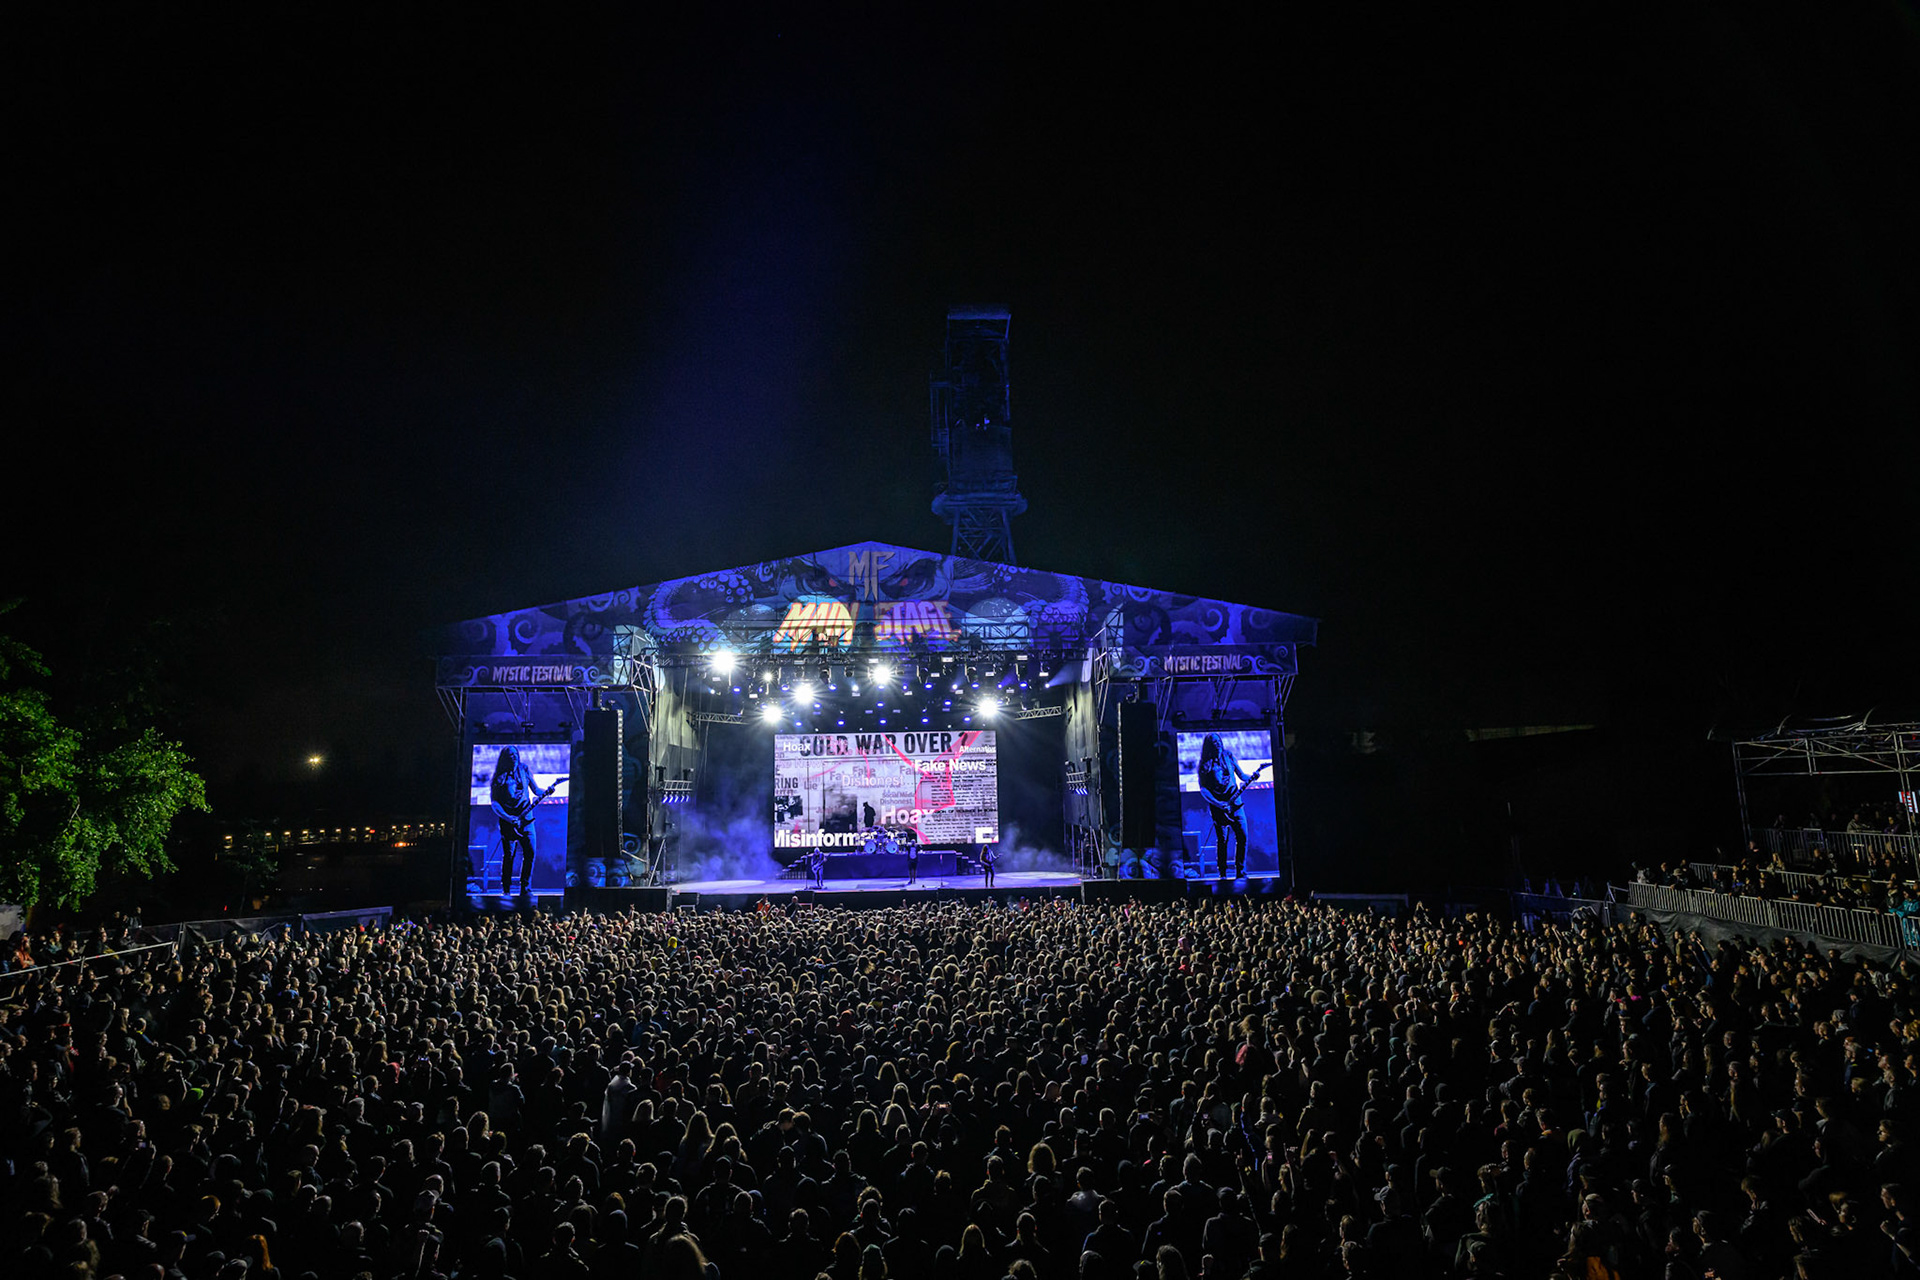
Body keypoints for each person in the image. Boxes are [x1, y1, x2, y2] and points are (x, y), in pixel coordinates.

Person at [491, 745, 561, 895]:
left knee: (530, 853)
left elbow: (535, 790)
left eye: (515, 754)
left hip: (527, 821)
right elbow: (495, 803)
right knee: (509, 856)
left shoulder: (524, 770)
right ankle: (507, 890)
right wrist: (508, 818)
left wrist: (547, 791)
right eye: (510, 755)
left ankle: (525, 888)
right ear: (505, 758)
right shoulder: (499, 778)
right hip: (509, 822)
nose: (513, 757)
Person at [1196, 734, 1261, 880]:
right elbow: (1204, 789)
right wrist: (1218, 804)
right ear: (1209, 746)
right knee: (1223, 840)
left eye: (1219, 741)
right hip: (1220, 808)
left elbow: (1241, 775)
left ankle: (1241, 871)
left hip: (1237, 804)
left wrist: (1253, 776)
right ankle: (1223, 873)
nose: (1218, 744)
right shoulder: (1205, 765)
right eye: (1214, 742)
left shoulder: (1228, 756)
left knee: (1243, 837)